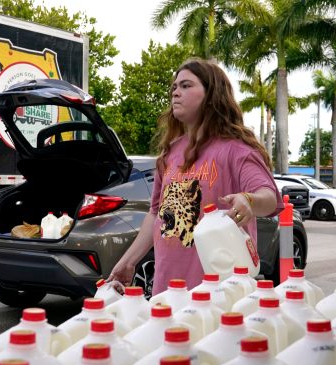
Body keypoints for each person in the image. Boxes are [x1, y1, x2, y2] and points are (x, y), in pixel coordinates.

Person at [108, 58, 283, 295]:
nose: (175, 93)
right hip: (167, 292)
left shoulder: (237, 150)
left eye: (186, 85)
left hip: (219, 297)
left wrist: (249, 200)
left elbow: (269, 197)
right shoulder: (169, 153)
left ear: (212, 94)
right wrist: (128, 261)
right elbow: (156, 214)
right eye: (174, 87)